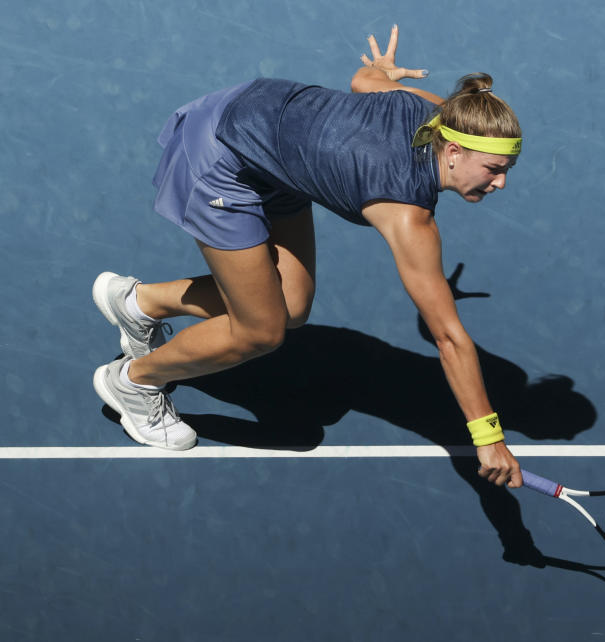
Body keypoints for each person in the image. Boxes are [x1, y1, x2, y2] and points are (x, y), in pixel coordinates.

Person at [92, 25, 523, 488]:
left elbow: (364, 82)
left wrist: (379, 70)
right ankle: (134, 382)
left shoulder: (437, 113)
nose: (500, 183)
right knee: (261, 330)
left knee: (291, 307)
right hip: (222, 152)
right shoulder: (407, 216)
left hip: (274, 142)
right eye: (495, 169)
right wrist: (488, 436)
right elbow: (448, 337)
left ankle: (138, 304)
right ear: (454, 153)